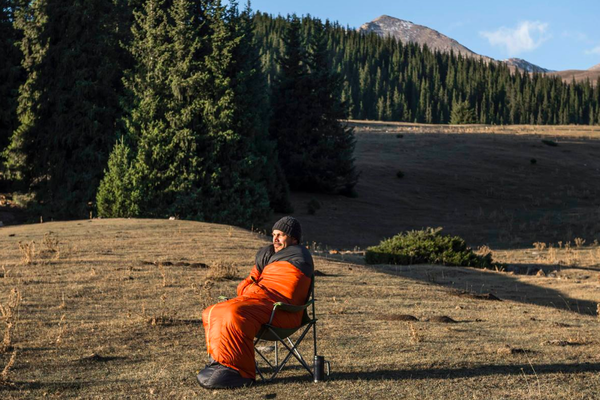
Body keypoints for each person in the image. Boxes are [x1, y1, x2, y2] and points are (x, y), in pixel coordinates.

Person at [197, 216, 314, 389]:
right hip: (261, 305)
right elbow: (243, 286)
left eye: (280, 235)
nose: (275, 239)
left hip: (282, 313)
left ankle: (241, 373)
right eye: (273, 234)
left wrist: (254, 289)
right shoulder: (267, 257)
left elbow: (284, 292)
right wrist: (256, 283)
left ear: (294, 238)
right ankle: (220, 363)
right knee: (211, 311)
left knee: (234, 313)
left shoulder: (300, 259)